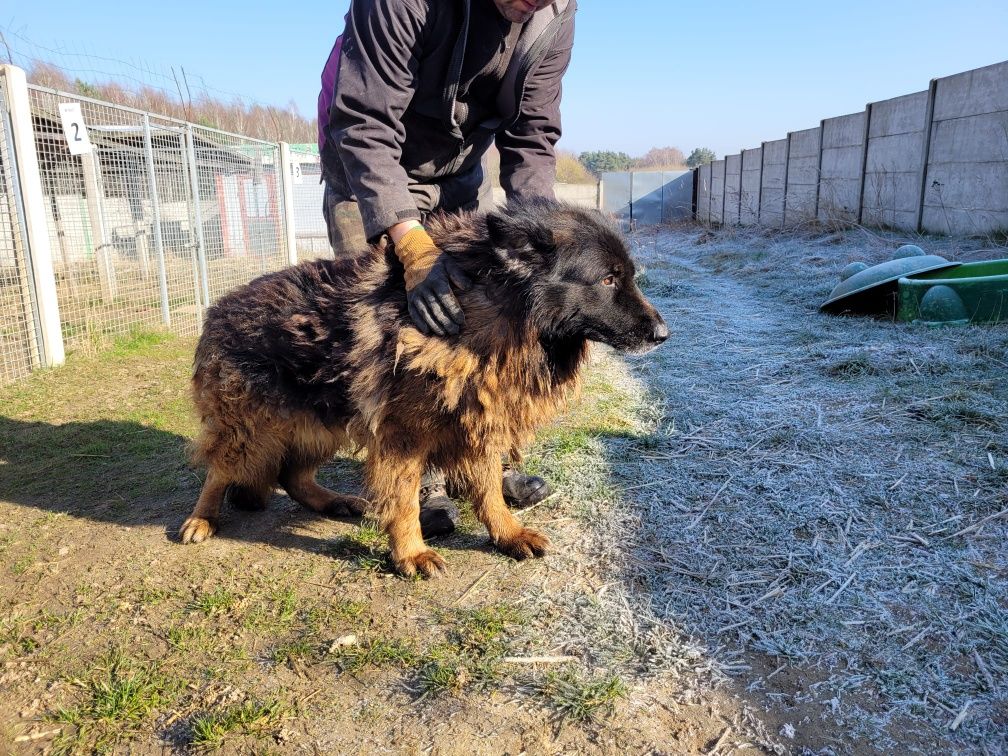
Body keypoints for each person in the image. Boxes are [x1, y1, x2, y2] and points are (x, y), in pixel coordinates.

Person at [317, 0, 576, 537]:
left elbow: (531, 136)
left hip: (457, 171)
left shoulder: (555, 16)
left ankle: (473, 468)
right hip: (368, 167)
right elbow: (364, 118)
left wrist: (544, 240)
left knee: (467, 329)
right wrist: (409, 244)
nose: (535, 3)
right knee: (395, 339)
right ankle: (415, 485)